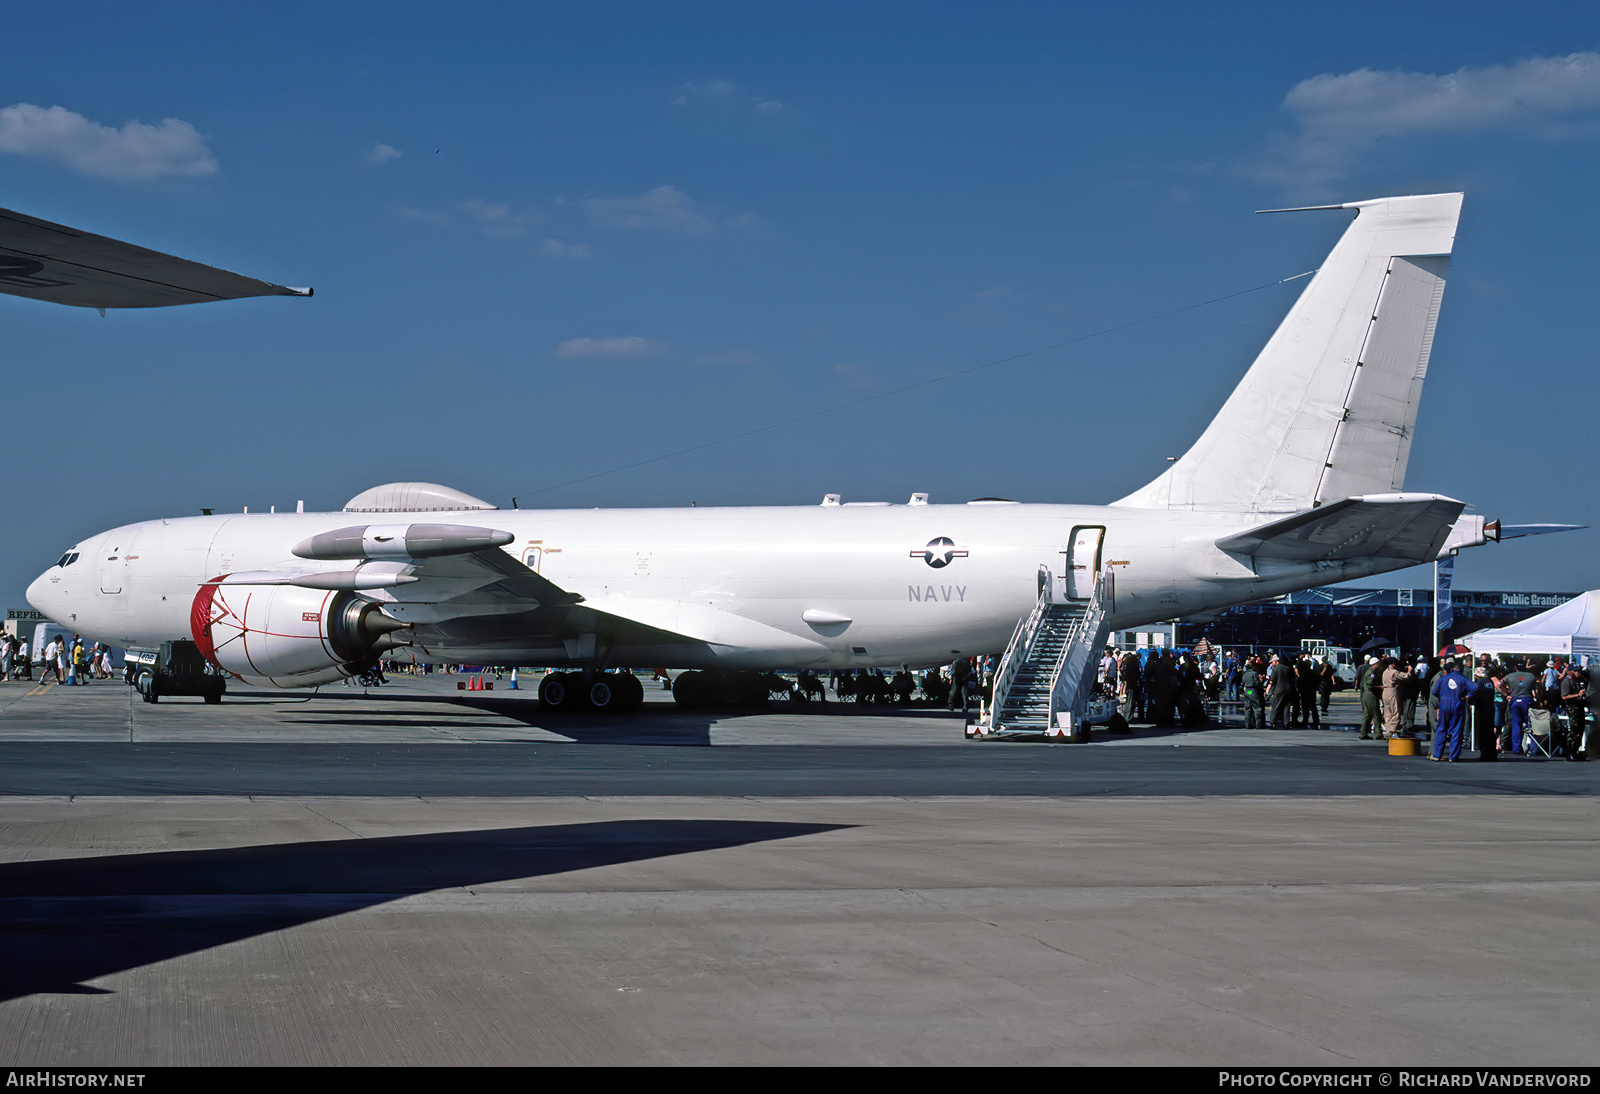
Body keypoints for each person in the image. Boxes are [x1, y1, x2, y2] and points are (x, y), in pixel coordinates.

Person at [1430, 659, 1476, 762]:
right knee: (1456, 729)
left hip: (1444, 703)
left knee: (1441, 728)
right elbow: (1475, 687)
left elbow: (1434, 692)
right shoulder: (1463, 679)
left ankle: (1437, 754)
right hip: (1457, 703)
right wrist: (1467, 696)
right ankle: (1453, 756)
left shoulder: (1444, 678)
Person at [1501, 659, 1537, 756]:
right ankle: (1533, 748)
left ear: (1515, 667)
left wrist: (1506, 694)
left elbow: (1499, 685)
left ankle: (1516, 748)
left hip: (1515, 700)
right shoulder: (1531, 676)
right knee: (1530, 724)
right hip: (1527, 699)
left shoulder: (1509, 676)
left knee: (1516, 725)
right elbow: (1537, 688)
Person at [1469, 665, 1499, 761]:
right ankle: (1492, 753)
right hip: (1490, 708)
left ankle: (1484, 754)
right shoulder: (1490, 682)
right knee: (1490, 731)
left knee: (1482, 732)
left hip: (1481, 709)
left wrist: (1471, 701)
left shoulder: (1478, 683)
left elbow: (1473, 695)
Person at [1559, 663, 1587, 761]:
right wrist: (1577, 695)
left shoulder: (1578, 681)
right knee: (1574, 729)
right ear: (1571, 672)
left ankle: (1576, 750)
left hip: (1579, 706)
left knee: (1581, 728)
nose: (1578, 673)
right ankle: (1570, 751)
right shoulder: (1566, 682)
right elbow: (1564, 697)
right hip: (1571, 707)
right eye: (1576, 671)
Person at [1381, 657, 1413, 738]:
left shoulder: (1385, 672)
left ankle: (1387, 729)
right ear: (1393, 664)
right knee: (1395, 712)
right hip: (1392, 691)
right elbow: (1406, 677)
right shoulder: (1394, 672)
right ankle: (1392, 731)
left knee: (1387, 712)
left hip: (1385, 692)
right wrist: (1409, 670)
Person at [1356, 656, 1381, 739]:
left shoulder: (1369, 671)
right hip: (1371, 695)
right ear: (1374, 664)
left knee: (1367, 715)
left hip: (1366, 695)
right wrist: (1379, 687)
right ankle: (1378, 733)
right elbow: (1370, 684)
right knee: (1376, 714)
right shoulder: (1372, 673)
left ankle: (1363, 733)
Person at [1267, 655, 1293, 728]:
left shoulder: (1276, 669)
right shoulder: (1287, 669)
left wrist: (1269, 689)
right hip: (1288, 689)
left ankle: (1273, 721)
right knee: (1286, 706)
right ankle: (1286, 722)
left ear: (1276, 661)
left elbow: (1273, 680)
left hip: (1279, 689)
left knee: (1276, 705)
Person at [1241, 656, 1265, 728]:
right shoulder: (1254, 674)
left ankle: (1248, 724)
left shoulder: (1245, 674)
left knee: (1248, 707)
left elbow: (1242, 682)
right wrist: (1260, 680)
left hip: (1247, 690)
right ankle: (1258, 724)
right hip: (1253, 690)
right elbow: (1256, 683)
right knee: (1257, 707)